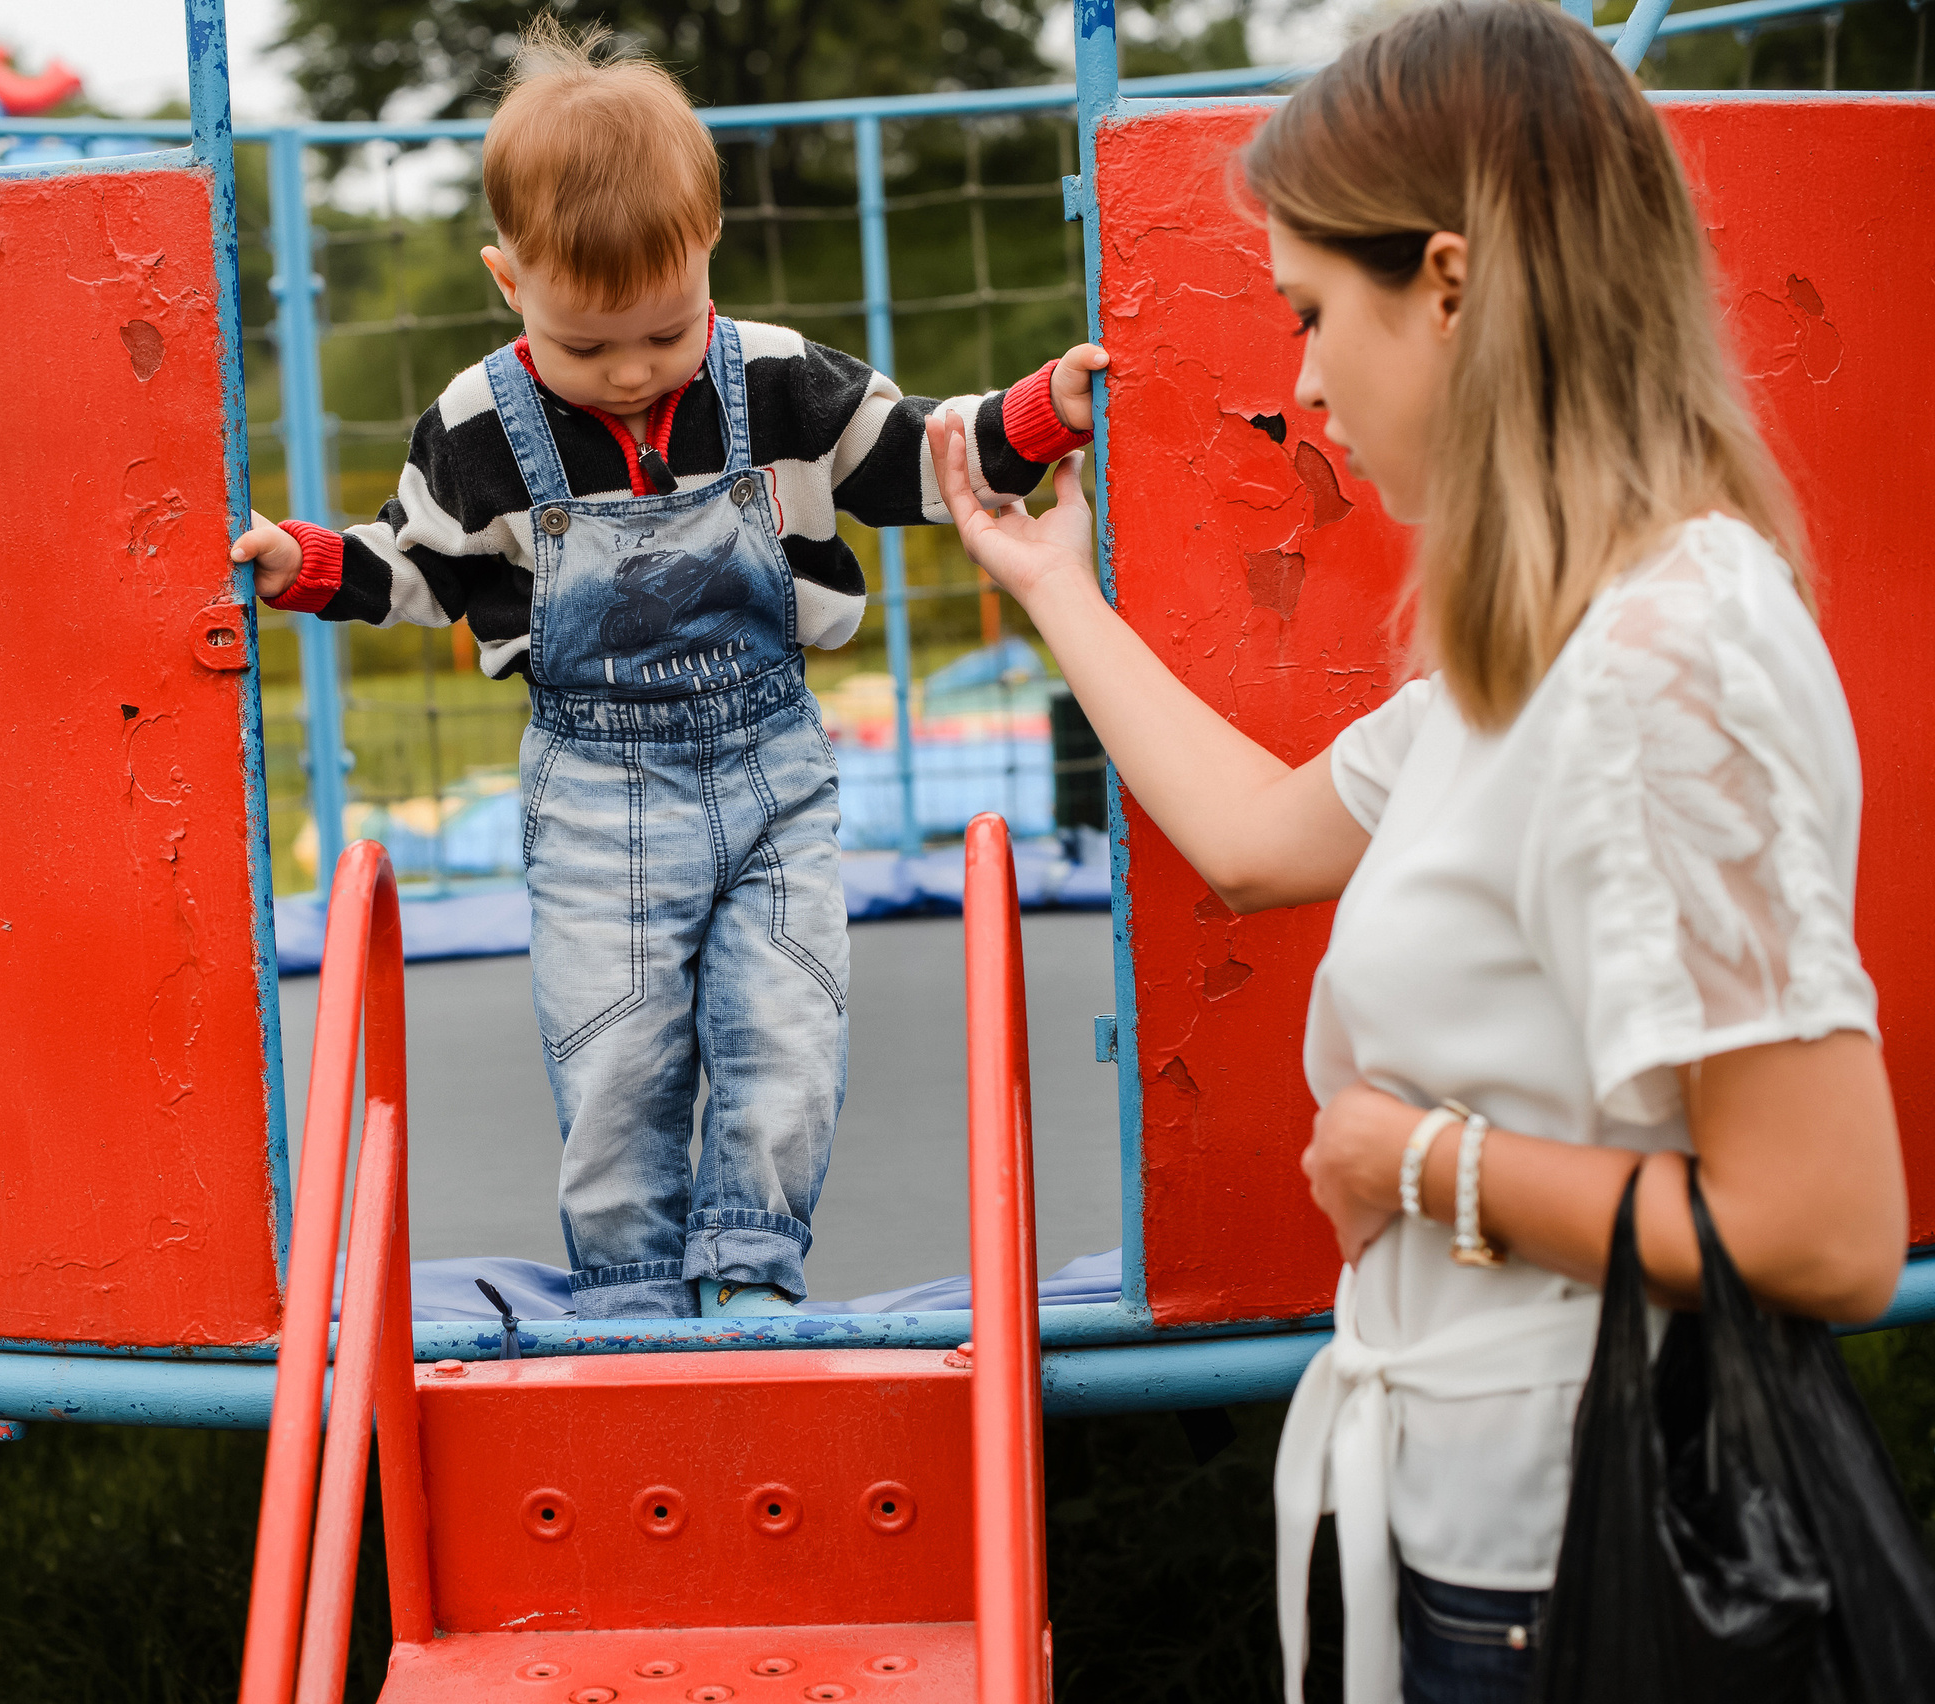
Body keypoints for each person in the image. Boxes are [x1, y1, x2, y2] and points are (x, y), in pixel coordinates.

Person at [925, 3, 1906, 1699]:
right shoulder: (1541, 649)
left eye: (1315, 311)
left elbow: (1824, 1230)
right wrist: (1054, 587)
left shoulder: (1665, 664)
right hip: (1489, 1542)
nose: (1302, 381)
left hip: (1590, 1571)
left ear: (1448, 287)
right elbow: (1252, 837)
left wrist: (1418, 1163)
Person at [231, 19, 1106, 1320]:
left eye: (665, 331)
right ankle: (632, 1293)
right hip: (594, 791)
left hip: (775, 773)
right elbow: (420, 563)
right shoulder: (474, 426)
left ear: (707, 252)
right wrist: (301, 562)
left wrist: (1040, 412)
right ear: (507, 280)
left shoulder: (781, 380)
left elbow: (919, 455)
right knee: (615, 1052)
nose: (634, 374)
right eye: (586, 348)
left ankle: (751, 1268)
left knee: (787, 1031)